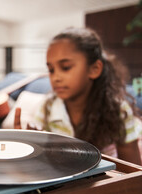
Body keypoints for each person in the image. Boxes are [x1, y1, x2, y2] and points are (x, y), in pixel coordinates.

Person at [14, 27, 142, 165]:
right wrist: (27, 147)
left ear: (94, 69)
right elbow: (41, 165)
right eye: (51, 70)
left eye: (66, 67)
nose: (55, 77)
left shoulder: (118, 111)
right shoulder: (47, 108)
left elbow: (133, 171)